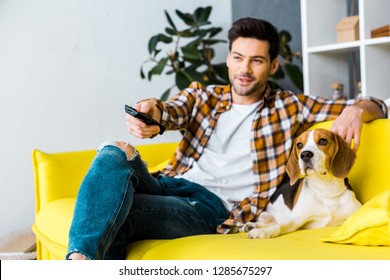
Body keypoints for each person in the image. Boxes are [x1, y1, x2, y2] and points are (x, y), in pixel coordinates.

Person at [67, 17, 387, 260]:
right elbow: (170, 111)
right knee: (114, 150)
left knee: (115, 211)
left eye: (256, 60)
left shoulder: (290, 107)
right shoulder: (203, 96)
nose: (244, 69)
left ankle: (78, 261)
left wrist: (357, 109)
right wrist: (152, 113)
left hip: (211, 207)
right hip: (170, 184)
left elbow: (380, 104)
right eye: (237, 57)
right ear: (228, 59)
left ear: (273, 65)